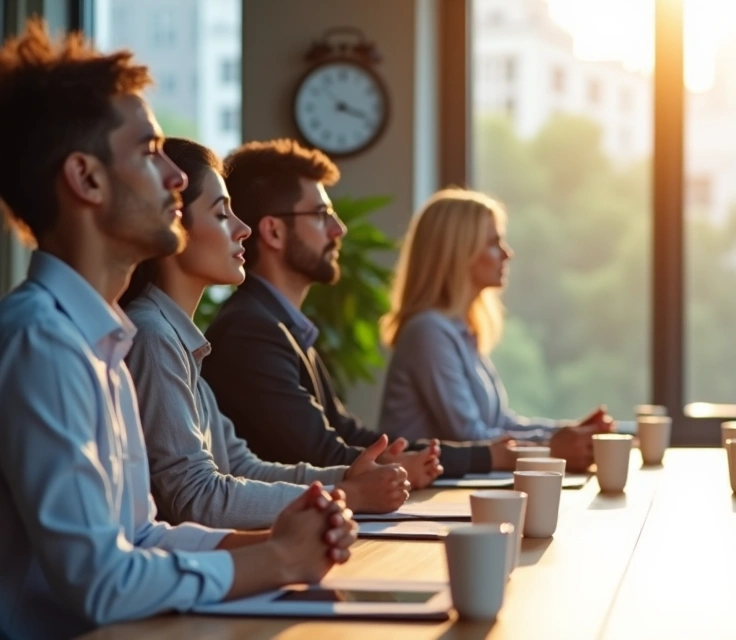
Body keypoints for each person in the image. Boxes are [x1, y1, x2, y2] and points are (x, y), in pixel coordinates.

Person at [0, 21, 356, 638]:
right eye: (148, 151)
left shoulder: (101, 341)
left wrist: (291, 536)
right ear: (86, 179)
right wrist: (274, 559)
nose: (175, 177)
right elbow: (102, 583)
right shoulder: (42, 342)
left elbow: (142, 536)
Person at [120, 138, 412, 529]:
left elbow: (241, 466)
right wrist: (348, 496)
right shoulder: (154, 336)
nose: (243, 229)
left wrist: (345, 479)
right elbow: (196, 497)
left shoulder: (177, 339)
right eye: (222, 215)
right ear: (172, 223)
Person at [199, 139, 453, 482]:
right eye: (321, 215)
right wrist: (400, 465)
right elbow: (321, 454)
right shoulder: (251, 331)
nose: (339, 229)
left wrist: (477, 456)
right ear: (273, 231)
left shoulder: (280, 324)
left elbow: (346, 432)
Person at [377, 188, 615, 473]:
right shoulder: (428, 332)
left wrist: (570, 433)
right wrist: (553, 448)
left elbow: (501, 423)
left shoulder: (460, 330)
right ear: (458, 253)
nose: (507, 253)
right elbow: (471, 438)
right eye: (493, 242)